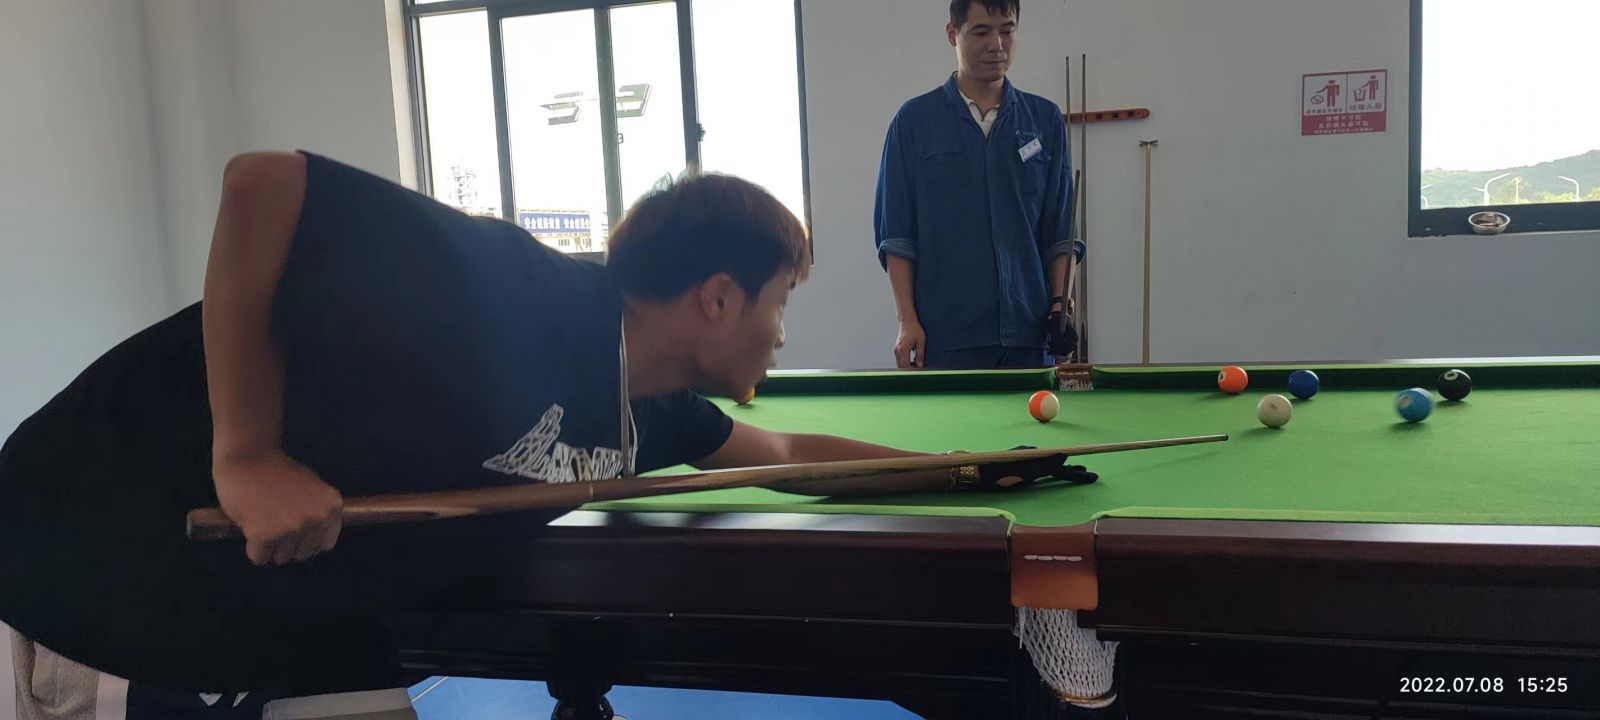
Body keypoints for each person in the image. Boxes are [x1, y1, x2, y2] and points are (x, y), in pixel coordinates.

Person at [0, 151, 1093, 719]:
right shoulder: (513, 290)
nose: (778, 332)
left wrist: (978, 474)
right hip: (111, 568)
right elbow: (264, 185)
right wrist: (246, 454)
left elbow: (782, 457)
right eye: (779, 304)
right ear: (718, 298)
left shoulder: (646, 401)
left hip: (295, 616)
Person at [874, 0, 1083, 370]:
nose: (996, 45)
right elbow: (897, 238)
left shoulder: (1044, 121)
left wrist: (1060, 306)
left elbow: (1060, 233)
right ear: (952, 34)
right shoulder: (913, 123)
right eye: (982, 31)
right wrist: (907, 321)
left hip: (1029, 335)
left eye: (1007, 30)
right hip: (945, 337)